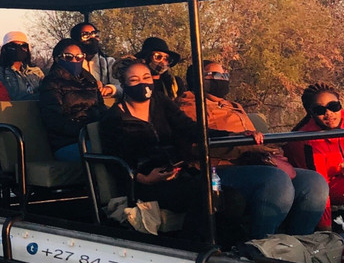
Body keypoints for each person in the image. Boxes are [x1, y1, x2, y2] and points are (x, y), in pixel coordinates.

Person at [178, 62, 327, 238]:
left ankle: (299, 244)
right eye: (216, 75)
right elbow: (195, 143)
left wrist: (269, 150)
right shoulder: (188, 107)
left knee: (313, 182)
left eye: (225, 75)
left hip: (253, 162)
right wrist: (249, 145)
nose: (223, 80)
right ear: (199, 79)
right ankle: (262, 245)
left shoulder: (232, 105)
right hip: (221, 168)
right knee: (275, 180)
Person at [99, 58, 211, 233]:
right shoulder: (113, 119)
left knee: (230, 197)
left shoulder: (160, 101)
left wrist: (235, 135)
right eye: (135, 80)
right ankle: (193, 247)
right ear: (124, 84)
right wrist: (144, 178)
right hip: (144, 185)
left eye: (146, 78)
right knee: (203, 194)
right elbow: (115, 161)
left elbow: (189, 128)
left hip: (178, 174)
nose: (143, 84)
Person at [285, 83, 344, 230]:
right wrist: (327, 231)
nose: (329, 113)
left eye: (334, 106)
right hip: (315, 190)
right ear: (311, 113)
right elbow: (319, 190)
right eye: (320, 110)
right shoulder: (309, 140)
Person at [38, 38, 106, 161]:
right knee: (105, 151)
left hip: (93, 136)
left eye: (79, 57)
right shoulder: (51, 83)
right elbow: (54, 120)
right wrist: (87, 130)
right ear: (58, 58)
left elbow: (102, 109)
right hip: (68, 142)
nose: (75, 60)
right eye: (69, 57)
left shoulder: (90, 82)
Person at [0, 31, 44, 101]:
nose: (18, 49)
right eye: (13, 46)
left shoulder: (36, 71)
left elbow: (47, 92)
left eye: (23, 46)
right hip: (12, 110)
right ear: (5, 49)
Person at [70, 22, 118, 97]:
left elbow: (121, 86)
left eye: (94, 34)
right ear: (76, 39)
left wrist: (111, 89)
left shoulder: (109, 62)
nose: (92, 38)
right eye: (86, 35)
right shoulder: (71, 64)